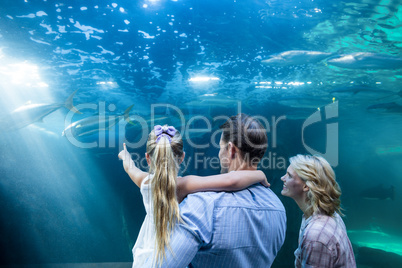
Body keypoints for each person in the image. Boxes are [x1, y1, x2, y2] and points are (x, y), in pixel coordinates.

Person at [142, 114, 287, 267]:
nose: (219, 154)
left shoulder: (202, 206)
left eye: (220, 148)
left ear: (231, 150)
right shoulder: (278, 209)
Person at [281, 154, 356, 268]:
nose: (283, 178)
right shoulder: (329, 215)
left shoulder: (316, 235)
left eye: (289, 176)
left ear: (306, 186)